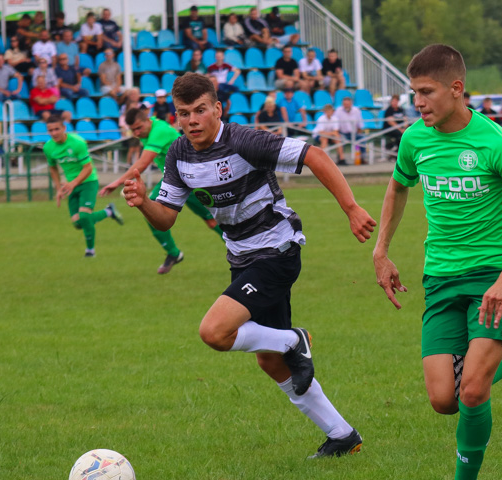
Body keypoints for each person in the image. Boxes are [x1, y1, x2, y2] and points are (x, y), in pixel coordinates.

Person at [120, 72, 377, 458]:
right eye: (183, 113)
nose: (191, 120)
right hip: (241, 256)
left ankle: (296, 339)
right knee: (270, 360)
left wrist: (352, 208)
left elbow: (315, 155)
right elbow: (167, 217)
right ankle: (342, 435)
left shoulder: (244, 140)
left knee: (215, 332)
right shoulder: (178, 155)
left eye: (200, 110)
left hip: (277, 249)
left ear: (217, 109)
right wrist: (143, 203)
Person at [372, 44, 502, 480]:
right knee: (442, 400)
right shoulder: (415, 140)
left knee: (471, 391)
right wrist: (381, 250)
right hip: (440, 280)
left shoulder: (494, 144)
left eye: (426, 92)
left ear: (455, 89)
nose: (419, 103)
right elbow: (398, 186)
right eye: (414, 94)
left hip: (492, 278)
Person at [100, 106, 223, 274]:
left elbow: (143, 163)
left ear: (148, 120)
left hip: (193, 177)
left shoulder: (159, 130)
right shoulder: (146, 132)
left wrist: (118, 182)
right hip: (174, 180)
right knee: (150, 209)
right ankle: (173, 253)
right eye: (132, 130)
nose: (136, 133)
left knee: (212, 221)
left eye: (138, 128)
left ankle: (242, 249)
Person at [44, 115, 124, 257]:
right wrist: (58, 188)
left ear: (64, 128)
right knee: (77, 223)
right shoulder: (48, 147)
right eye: (50, 130)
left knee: (84, 217)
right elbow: (52, 168)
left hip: (88, 182)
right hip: (71, 185)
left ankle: (90, 251)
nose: (54, 133)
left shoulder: (77, 143)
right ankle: (108, 212)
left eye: (57, 129)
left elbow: (88, 168)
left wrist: (73, 183)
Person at [333, 96, 363, 163]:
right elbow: (335, 124)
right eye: (345, 104)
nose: (346, 106)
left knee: (362, 138)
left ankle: (362, 158)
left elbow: (360, 124)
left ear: (351, 104)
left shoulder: (356, 111)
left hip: (354, 133)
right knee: (339, 139)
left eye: (347, 104)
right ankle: (341, 159)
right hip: (343, 133)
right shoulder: (338, 111)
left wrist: (359, 132)